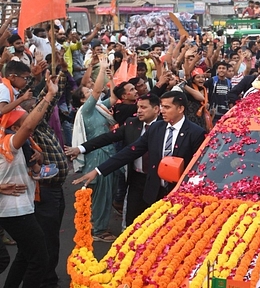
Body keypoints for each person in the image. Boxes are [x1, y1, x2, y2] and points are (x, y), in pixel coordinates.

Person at [73, 91, 207, 207]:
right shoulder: (156, 128)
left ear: (180, 109)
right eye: (161, 107)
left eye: (167, 107)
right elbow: (130, 151)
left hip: (179, 194)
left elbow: (199, 168)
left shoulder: (196, 133)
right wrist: (98, 170)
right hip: (154, 191)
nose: (162, 110)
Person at [0, 75, 59, 287]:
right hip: (14, 210)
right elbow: (27, 127)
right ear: (15, 127)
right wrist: (49, 95)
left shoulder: (21, 145)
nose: (31, 124)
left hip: (21, 207)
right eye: (25, 120)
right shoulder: (9, 142)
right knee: (39, 259)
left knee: (25, 256)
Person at [67, 94, 162, 226]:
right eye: (138, 107)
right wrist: (81, 148)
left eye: (144, 107)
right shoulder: (132, 123)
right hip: (136, 178)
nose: (139, 110)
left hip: (158, 180)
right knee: (133, 221)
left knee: (156, 220)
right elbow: (107, 138)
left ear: (156, 109)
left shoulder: (165, 127)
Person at [70, 56, 118, 242]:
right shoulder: (86, 110)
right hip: (96, 156)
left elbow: (113, 97)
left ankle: (99, 226)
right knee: (100, 195)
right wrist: (102, 70)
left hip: (107, 153)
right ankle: (98, 230)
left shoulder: (98, 108)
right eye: (87, 91)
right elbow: (98, 90)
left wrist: (110, 77)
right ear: (83, 99)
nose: (92, 91)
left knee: (108, 193)